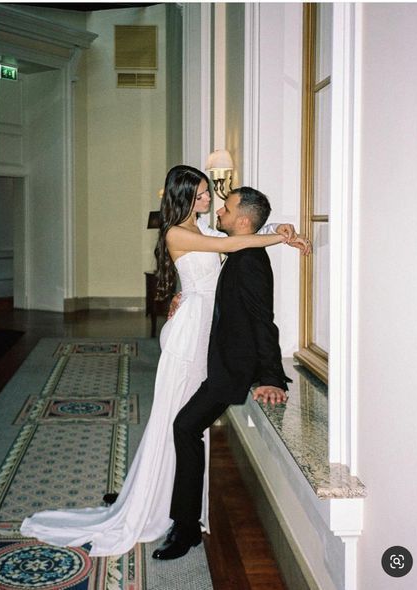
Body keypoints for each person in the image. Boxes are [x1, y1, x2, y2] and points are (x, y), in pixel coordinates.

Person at [20, 165, 309, 557]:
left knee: (183, 426)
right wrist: (279, 235)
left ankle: (155, 495)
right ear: (185, 196)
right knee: (176, 422)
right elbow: (230, 247)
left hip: (207, 334)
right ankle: (157, 504)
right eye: (203, 195)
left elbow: (236, 239)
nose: (209, 202)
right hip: (189, 338)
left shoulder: (205, 229)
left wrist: (282, 228)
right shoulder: (177, 231)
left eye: (211, 195)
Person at [152, 186, 293, 560]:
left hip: (233, 365)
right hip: (217, 355)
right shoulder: (238, 245)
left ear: (242, 221)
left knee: (184, 427)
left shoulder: (248, 258)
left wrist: (271, 378)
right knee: (184, 426)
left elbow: (264, 321)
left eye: (226, 209)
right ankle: (173, 510)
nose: (219, 212)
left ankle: (186, 529)